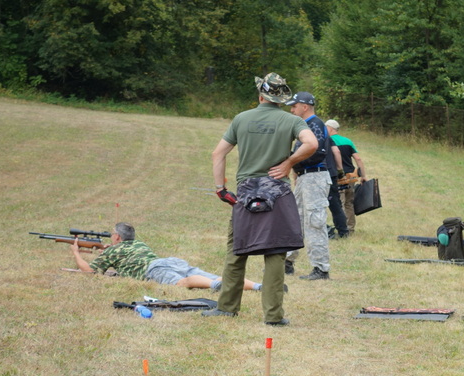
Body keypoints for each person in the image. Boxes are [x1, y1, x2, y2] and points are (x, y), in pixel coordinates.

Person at [206, 72, 317, 326]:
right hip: (277, 193)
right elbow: (310, 143)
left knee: (237, 251)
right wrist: (289, 162)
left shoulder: (241, 119)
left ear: (260, 96)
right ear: (281, 99)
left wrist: (220, 188)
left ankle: (226, 308)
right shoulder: (291, 120)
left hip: (246, 193)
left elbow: (217, 154)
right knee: (276, 253)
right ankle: (273, 316)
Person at [70, 222, 262, 291]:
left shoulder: (114, 250)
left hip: (155, 270)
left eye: (113, 234)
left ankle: (213, 286)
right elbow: (124, 254)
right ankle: (257, 286)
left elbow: (90, 271)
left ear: (118, 237)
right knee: (215, 275)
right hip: (170, 262)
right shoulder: (139, 243)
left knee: (183, 283)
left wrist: (76, 253)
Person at [283, 92, 332, 280]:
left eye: (294, 106)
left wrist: (293, 161)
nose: (291, 109)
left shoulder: (315, 124)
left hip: (315, 177)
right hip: (305, 177)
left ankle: (321, 268)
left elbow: (317, 152)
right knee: (296, 219)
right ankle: (287, 262)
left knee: (314, 221)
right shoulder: (305, 125)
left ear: (305, 107)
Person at [326, 119, 367, 234]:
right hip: (351, 176)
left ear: (330, 129)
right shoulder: (348, 141)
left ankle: (343, 230)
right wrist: (363, 176)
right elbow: (358, 158)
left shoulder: (327, 141)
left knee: (340, 203)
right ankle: (350, 228)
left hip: (338, 176)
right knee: (349, 203)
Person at [325, 129, 349, 239]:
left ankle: (324, 230)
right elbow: (336, 152)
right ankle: (343, 232)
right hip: (331, 174)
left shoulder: (306, 136)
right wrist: (340, 170)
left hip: (313, 174)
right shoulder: (328, 138)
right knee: (335, 205)